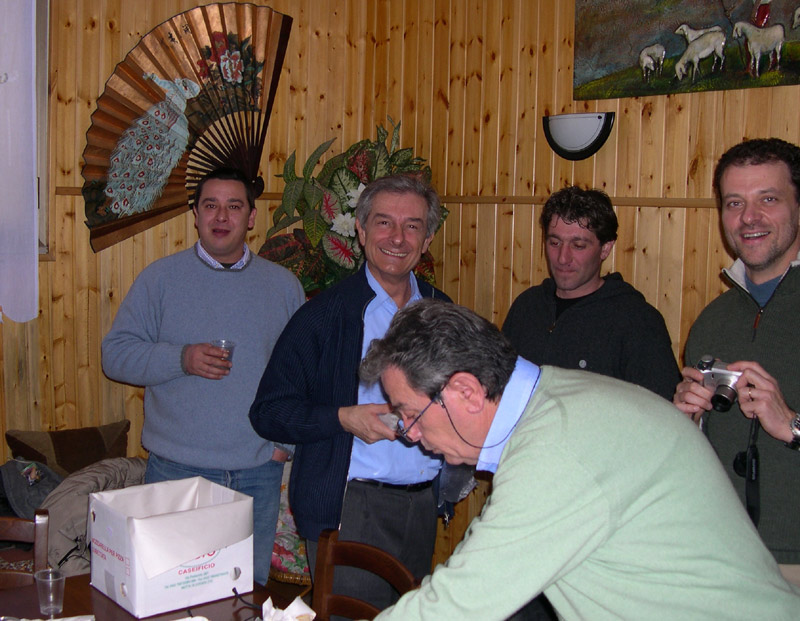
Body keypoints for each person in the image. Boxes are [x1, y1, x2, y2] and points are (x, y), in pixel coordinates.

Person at [360, 299, 800, 620]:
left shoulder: (557, 447)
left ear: (466, 392)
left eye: (410, 414)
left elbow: (458, 605)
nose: (409, 433)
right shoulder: (556, 400)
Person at [249, 174, 460, 611]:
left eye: (412, 226)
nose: (397, 238)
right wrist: (343, 418)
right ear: (361, 231)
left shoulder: (444, 313)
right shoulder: (323, 315)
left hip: (421, 506)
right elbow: (269, 412)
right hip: (349, 507)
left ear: (427, 238)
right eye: (384, 223)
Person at [101, 167, 305, 586]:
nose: (221, 217)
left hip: (258, 473)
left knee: (244, 596)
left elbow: (304, 373)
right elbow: (114, 356)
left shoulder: (283, 287)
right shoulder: (160, 279)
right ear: (195, 214)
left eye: (234, 206)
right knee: (172, 594)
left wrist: (282, 447)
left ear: (251, 216)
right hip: (177, 473)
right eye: (211, 205)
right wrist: (182, 358)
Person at [673, 137, 800, 584]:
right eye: (734, 203)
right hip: (720, 557)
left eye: (768, 199)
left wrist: (792, 425)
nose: (749, 217)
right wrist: (685, 423)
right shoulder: (712, 320)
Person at [502, 186, 679, 402]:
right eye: (554, 243)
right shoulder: (527, 307)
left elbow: (661, 410)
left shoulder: (637, 321)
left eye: (578, 245)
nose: (562, 258)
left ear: (605, 248)